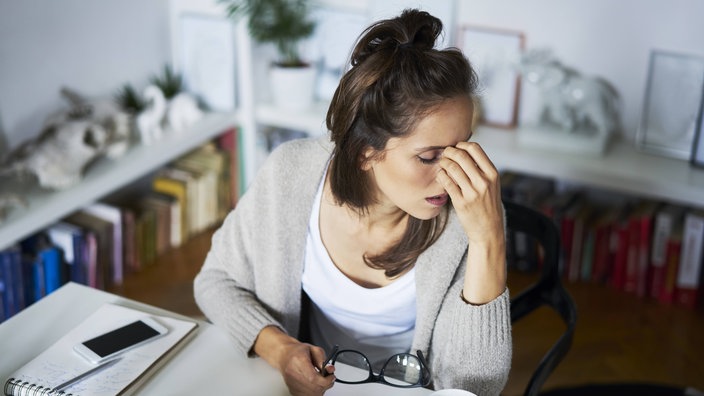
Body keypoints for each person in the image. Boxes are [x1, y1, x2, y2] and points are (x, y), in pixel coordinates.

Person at [194, 8, 511, 396]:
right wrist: (281, 351)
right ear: (365, 151)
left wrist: (489, 238)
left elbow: (474, 386)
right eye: (429, 156)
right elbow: (215, 281)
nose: (451, 174)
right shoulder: (289, 175)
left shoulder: (470, 215)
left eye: (462, 147)